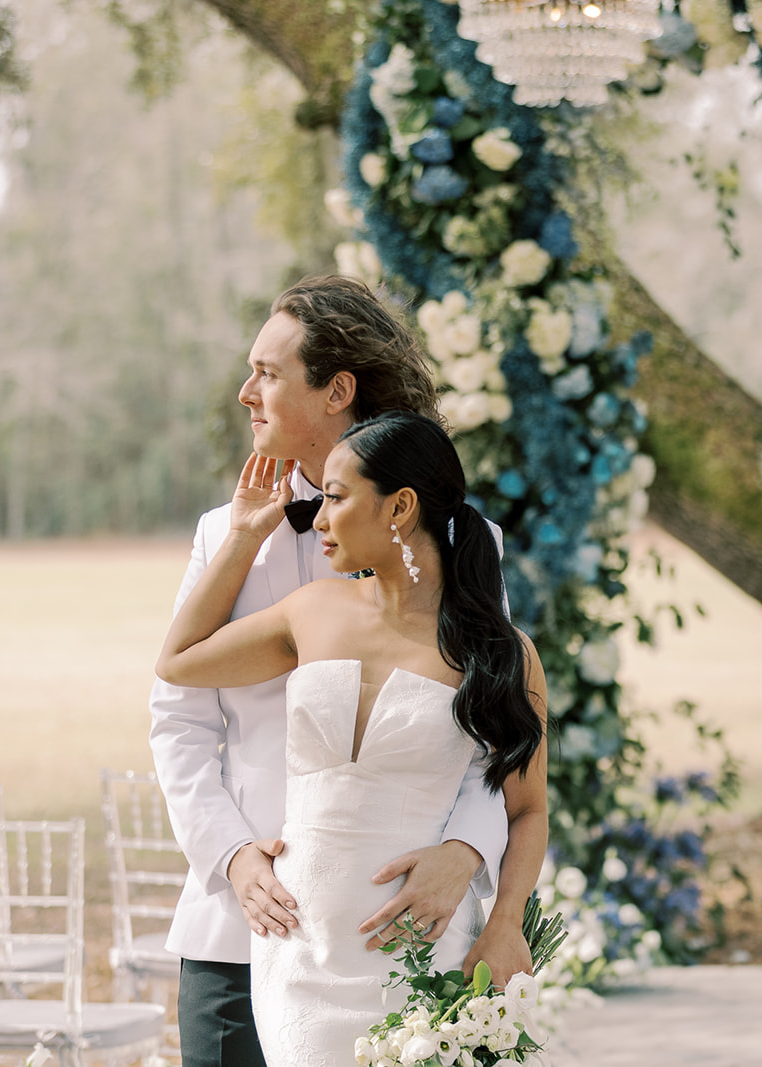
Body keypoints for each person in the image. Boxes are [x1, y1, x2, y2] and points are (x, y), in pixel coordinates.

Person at [148, 276, 534, 1067]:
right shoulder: (224, 533)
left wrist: (464, 852)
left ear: (337, 391)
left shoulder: (464, 539)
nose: (246, 391)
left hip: (400, 925)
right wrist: (231, 854)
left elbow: (486, 736)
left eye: (268, 371)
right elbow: (178, 714)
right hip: (245, 919)